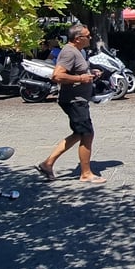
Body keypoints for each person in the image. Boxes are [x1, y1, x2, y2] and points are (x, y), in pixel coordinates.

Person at [36, 24, 106, 184]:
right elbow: (57, 75)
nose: (90, 38)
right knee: (87, 133)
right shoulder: (68, 52)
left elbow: (75, 72)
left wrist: (90, 74)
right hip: (74, 101)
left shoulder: (77, 51)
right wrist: (80, 79)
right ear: (77, 38)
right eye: (87, 36)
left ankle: (47, 164)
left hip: (78, 100)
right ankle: (86, 173)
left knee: (79, 133)